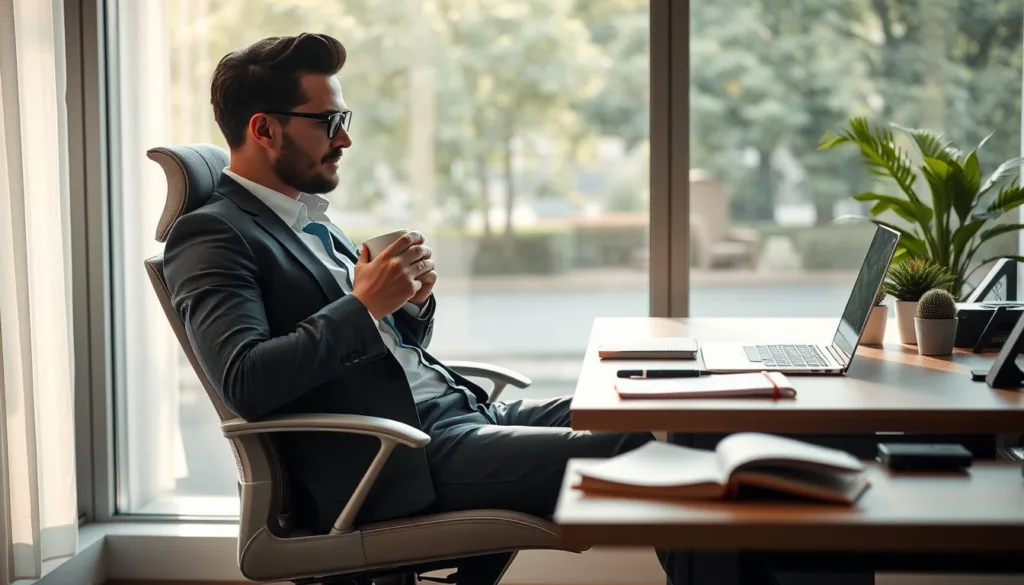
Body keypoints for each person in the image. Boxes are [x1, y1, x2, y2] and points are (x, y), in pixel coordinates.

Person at [162, 31, 707, 582]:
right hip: (397, 459)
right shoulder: (213, 235)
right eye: (328, 121)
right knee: (645, 451)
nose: (345, 138)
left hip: (457, 417)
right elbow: (246, 380)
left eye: (344, 117)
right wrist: (365, 304)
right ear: (263, 128)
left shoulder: (305, 219)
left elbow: (381, 350)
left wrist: (410, 307)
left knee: (668, 416)